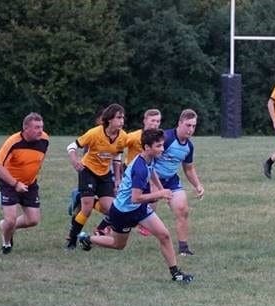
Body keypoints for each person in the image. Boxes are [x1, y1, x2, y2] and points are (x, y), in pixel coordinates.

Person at [77, 129, 193, 282]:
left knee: (164, 235)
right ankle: (88, 239)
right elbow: (136, 198)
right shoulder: (139, 169)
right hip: (123, 212)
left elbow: (152, 172)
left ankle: (176, 274)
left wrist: (159, 187)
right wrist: (159, 194)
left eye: (162, 145)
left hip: (139, 209)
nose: (162, 149)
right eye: (158, 146)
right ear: (146, 147)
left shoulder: (149, 158)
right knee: (118, 245)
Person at [65, 103, 128, 249]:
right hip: (88, 171)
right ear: (109, 119)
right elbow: (71, 146)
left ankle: (83, 200)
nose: (122, 121)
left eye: (123, 118)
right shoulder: (94, 133)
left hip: (105, 174)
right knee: (85, 210)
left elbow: (117, 155)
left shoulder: (122, 136)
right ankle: (72, 240)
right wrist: (75, 160)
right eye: (119, 117)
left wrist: (118, 178)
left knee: (111, 209)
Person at [0, 113, 49, 254]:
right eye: (36, 127)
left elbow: (39, 160)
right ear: (25, 128)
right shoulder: (13, 142)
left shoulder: (44, 139)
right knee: (10, 220)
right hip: (9, 183)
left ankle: (5, 226)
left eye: (41, 127)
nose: (40, 130)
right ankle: (6, 244)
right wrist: (15, 183)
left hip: (30, 184)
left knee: (33, 220)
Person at [153, 109, 205, 256]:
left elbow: (188, 169)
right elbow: (148, 159)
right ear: (179, 123)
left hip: (171, 180)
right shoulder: (166, 138)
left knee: (182, 210)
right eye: (188, 125)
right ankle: (107, 226)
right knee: (135, 212)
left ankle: (183, 249)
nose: (191, 129)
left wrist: (198, 185)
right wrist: (155, 185)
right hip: (151, 178)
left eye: (194, 126)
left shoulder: (189, 146)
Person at [124, 109, 162, 236]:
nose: (155, 124)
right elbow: (119, 145)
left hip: (146, 172)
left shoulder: (157, 138)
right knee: (123, 202)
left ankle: (145, 225)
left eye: (158, 121)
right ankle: (105, 226)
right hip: (131, 173)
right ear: (145, 121)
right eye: (152, 121)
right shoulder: (134, 136)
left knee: (154, 194)